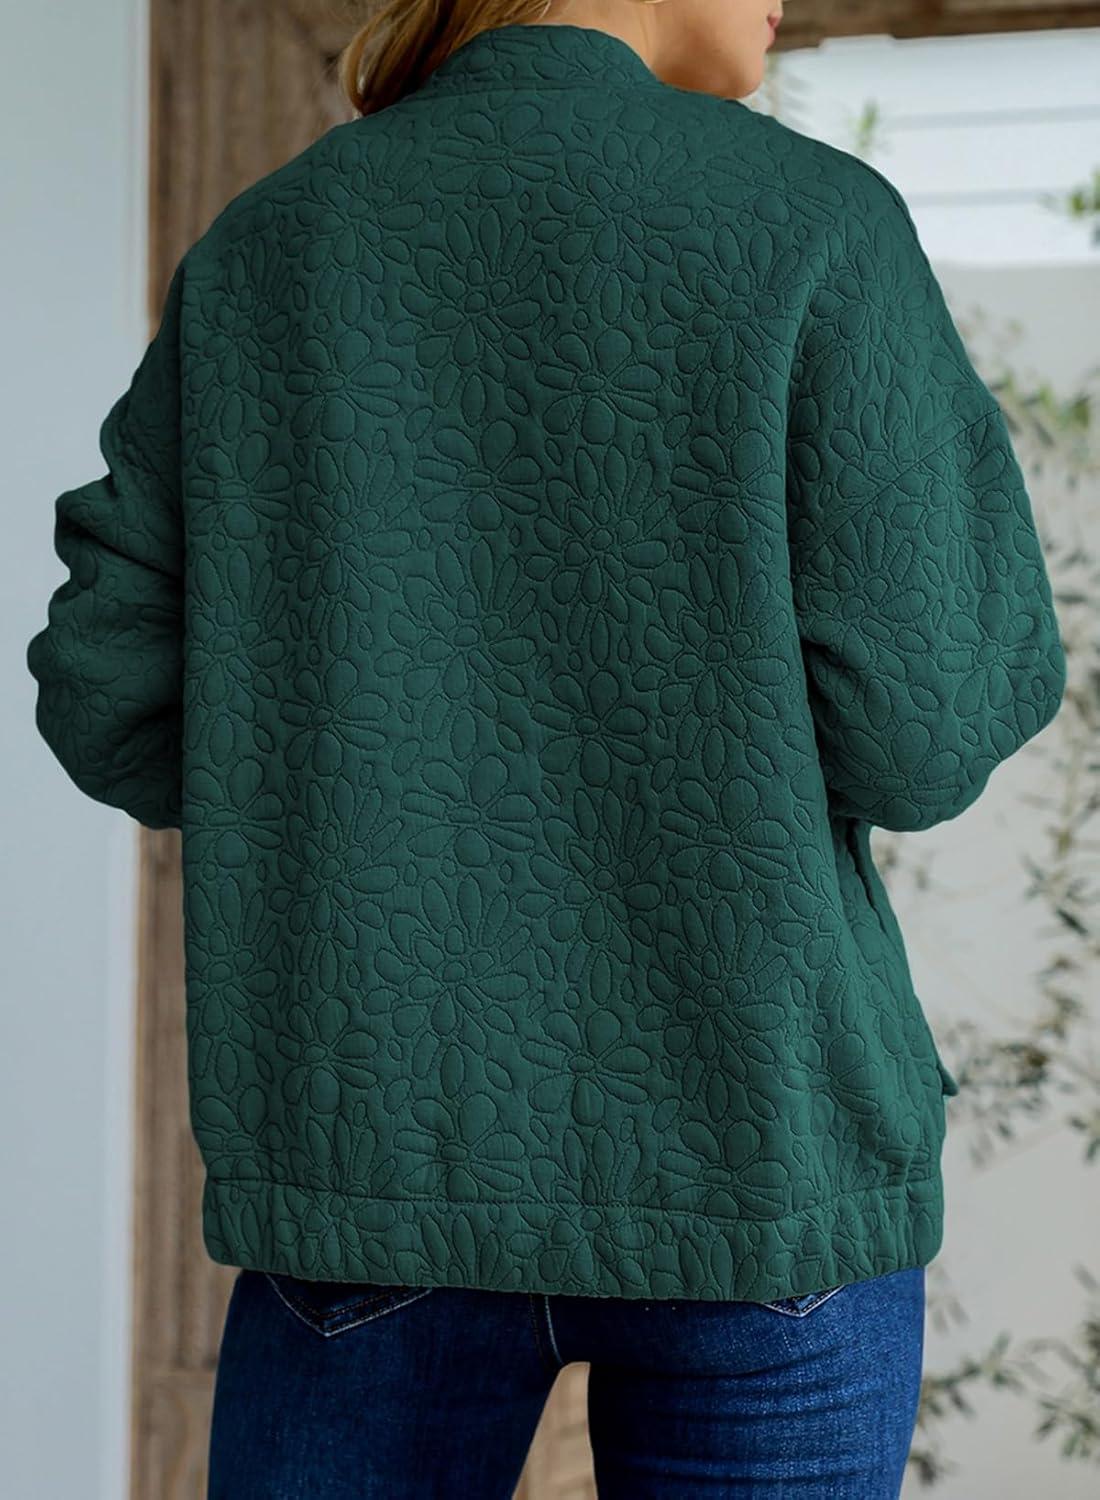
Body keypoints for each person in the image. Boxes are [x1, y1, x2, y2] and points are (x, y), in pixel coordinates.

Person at [25, 0, 1066, 1494]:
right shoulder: (817, 223)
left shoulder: (270, 244)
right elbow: (927, 728)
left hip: (375, 1154)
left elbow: (108, 685)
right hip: (757, 1157)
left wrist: (349, 762)